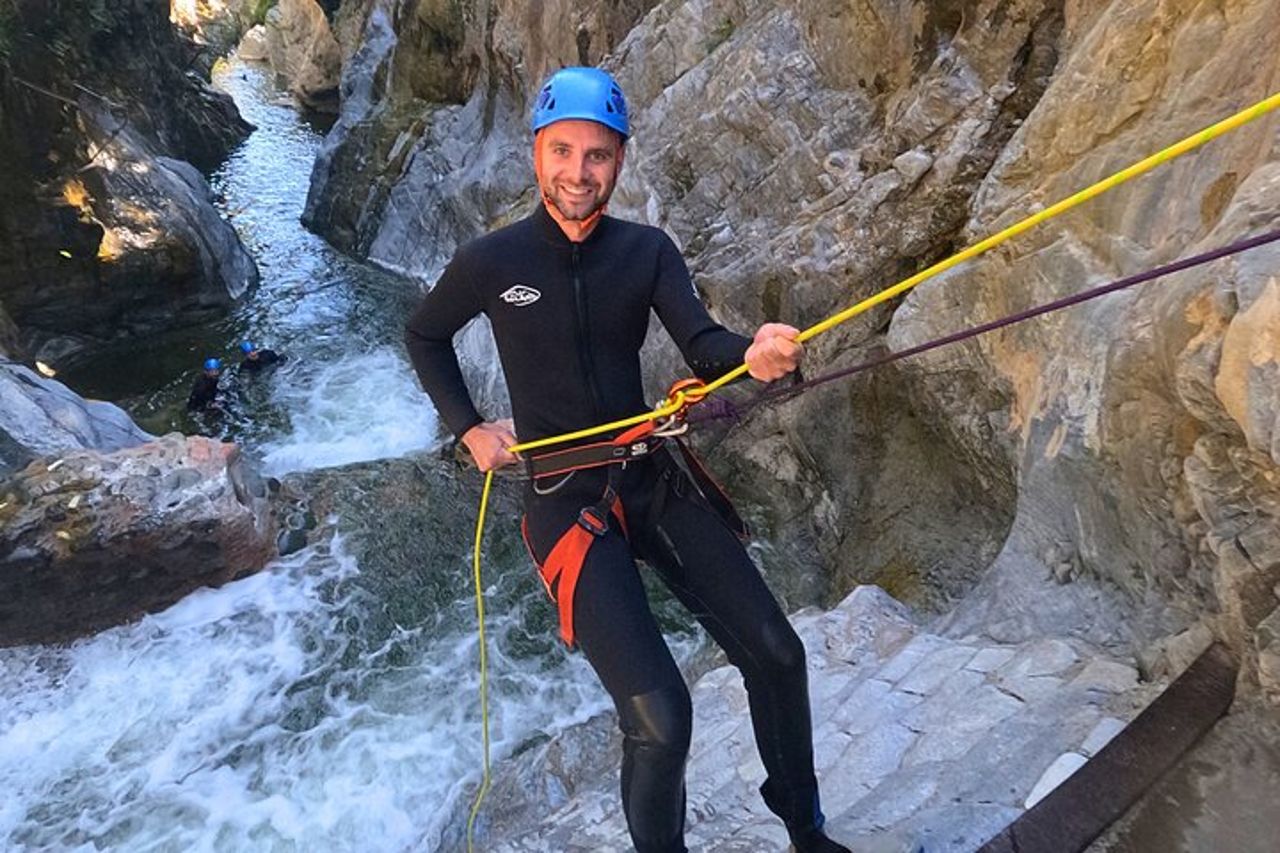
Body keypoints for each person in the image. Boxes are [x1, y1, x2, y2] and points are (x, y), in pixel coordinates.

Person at [405, 67, 849, 853]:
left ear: (620, 161)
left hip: (650, 476)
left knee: (779, 654)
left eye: (599, 155)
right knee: (662, 719)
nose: (579, 173)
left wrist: (756, 354)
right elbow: (425, 334)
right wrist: (469, 427)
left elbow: (704, 344)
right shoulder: (492, 262)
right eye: (564, 151)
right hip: (564, 502)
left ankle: (807, 832)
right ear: (536, 153)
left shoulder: (645, 253)